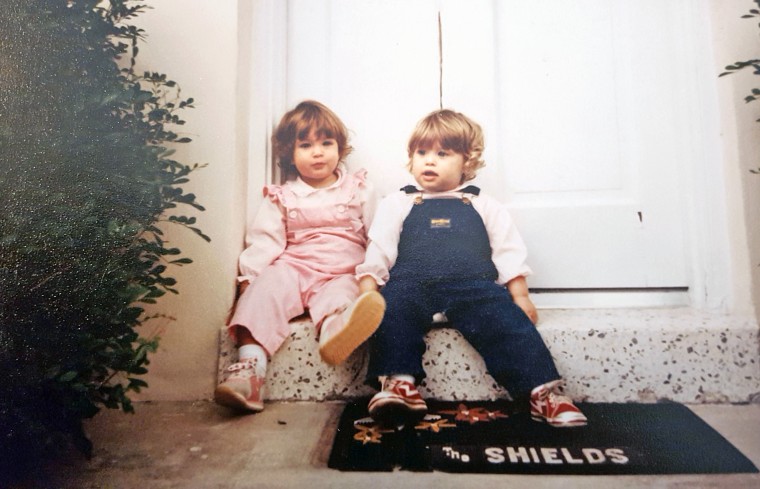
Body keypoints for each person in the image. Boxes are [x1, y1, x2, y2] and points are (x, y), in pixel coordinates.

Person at [355, 109, 587, 428]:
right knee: (393, 308)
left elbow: (507, 250)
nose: (429, 161)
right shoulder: (399, 203)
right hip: (412, 282)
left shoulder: (482, 204)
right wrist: (369, 290)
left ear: (467, 161)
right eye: (421, 152)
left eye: (442, 153)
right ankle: (400, 384)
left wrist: (520, 296)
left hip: (472, 287)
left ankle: (542, 393)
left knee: (506, 320)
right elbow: (380, 247)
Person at [215, 100, 385, 412]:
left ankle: (338, 331)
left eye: (326, 143)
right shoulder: (283, 195)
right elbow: (265, 242)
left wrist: (374, 277)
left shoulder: (358, 188)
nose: (317, 152)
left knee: (343, 297)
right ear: (289, 154)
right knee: (264, 293)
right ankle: (249, 375)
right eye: (305, 145)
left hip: (343, 270)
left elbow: (377, 235)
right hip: (294, 266)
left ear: (340, 147)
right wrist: (249, 282)